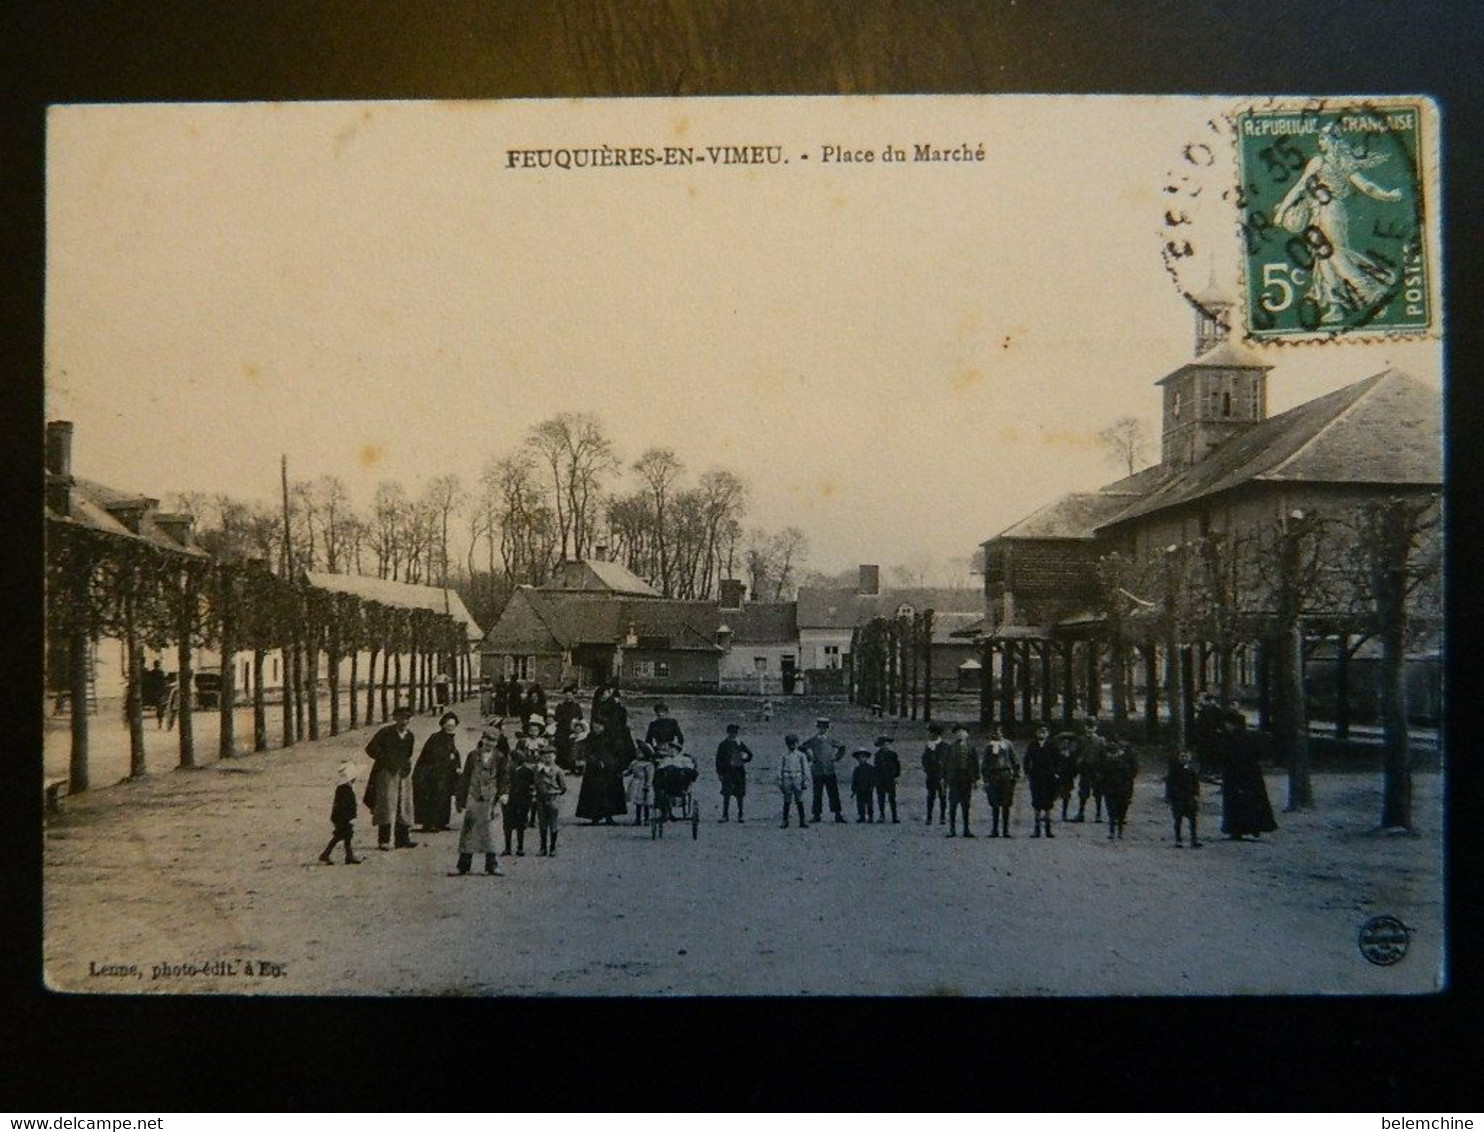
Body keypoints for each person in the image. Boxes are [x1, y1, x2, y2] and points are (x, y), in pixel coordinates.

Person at [450, 731, 506, 877]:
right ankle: (463, 866)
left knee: (490, 832)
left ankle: (492, 865)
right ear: (482, 739)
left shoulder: (500, 757)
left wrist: (503, 794)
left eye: (493, 741)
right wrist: (460, 798)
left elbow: (504, 778)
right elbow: (466, 777)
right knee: (469, 830)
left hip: (490, 798)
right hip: (474, 796)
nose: (490, 743)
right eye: (487, 740)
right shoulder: (473, 755)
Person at [364, 704, 418, 850]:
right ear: (395, 719)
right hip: (386, 773)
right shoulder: (386, 732)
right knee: (386, 805)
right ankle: (384, 840)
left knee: (404, 804)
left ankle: (402, 839)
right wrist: (386, 760)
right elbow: (370, 749)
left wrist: (406, 766)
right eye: (401, 718)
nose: (404, 722)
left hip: (403, 773)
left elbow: (409, 753)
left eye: (407, 718)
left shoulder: (410, 736)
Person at [1220, 715, 1277, 840]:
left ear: (1234, 724)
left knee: (1236, 803)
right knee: (1253, 801)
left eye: (1228, 724)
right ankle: (1255, 826)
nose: (1226, 726)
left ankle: (1237, 829)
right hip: (1252, 775)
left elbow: (1226, 756)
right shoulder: (1251, 737)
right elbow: (1258, 753)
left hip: (1235, 775)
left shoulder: (1231, 739)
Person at [412, 711, 462, 832]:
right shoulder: (436, 737)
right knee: (434, 797)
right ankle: (431, 823)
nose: (451, 728)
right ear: (443, 725)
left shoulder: (450, 738)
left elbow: (454, 754)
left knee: (445, 798)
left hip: (445, 773)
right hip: (432, 773)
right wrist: (448, 758)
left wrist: (456, 765)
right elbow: (432, 755)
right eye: (448, 725)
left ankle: (442, 822)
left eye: (453, 726)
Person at [575, 715, 627, 824]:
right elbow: (587, 751)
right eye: (594, 725)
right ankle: (594, 817)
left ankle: (609, 816)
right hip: (593, 769)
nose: (596, 727)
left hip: (609, 768)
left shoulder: (611, 737)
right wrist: (594, 760)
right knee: (593, 792)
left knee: (609, 791)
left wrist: (611, 762)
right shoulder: (590, 737)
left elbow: (618, 751)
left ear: (604, 726)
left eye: (599, 725)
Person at [801, 718, 847, 824]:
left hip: (830, 770)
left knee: (833, 792)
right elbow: (802, 747)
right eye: (821, 727)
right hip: (817, 770)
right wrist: (810, 757)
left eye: (825, 728)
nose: (823, 730)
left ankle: (837, 814)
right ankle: (816, 815)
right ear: (818, 728)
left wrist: (836, 758)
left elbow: (842, 747)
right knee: (817, 793)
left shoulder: (831, 740)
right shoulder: (813, 740)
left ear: (827, 729)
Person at [317, 760, 364, 865]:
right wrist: (351, 817)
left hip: (339, 817)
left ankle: (347, 855)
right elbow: (346, 806)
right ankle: (328, 854)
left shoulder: (342, 788)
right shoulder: (346, 790)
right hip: (343, 817)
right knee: (342, 835)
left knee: (345, 836)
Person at [503, 725, 537, 857]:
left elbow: (532, 787)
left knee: (520, 826)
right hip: (509, 800)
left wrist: (531, 798)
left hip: (522, 802)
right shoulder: (507, 772)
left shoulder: (527, 772)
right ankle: (508, 848)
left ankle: (520, 847)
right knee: (507, 825)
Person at [1023, 725, 1062, 838]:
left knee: (1048, 802)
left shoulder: (1052, 745)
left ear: (1047, 733)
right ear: (1036, 733)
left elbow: (1058, 760)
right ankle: (1037, 829)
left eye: (1044, 732)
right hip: (1036, 776)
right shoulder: (1032, 745)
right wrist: (1027, 772)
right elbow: (1027, 759)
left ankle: (1048, 830)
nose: (1041, 734)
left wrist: (1057, 772)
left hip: (1049, 777)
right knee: (1036, 801)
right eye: (1039, 732)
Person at [981, 725, 1020, 838]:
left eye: (999, 732)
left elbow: (1015, 761)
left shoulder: (1008, 745)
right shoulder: (989, 746)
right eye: (995, 732)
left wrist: (1016, 775)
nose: (997, 734)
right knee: (994, 803)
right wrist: (986, 779)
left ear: (1002, 733)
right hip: (993, 776)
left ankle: (1006, 830)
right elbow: (985, 763)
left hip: (1006, 775)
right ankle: (994, 829)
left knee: (1006, 804)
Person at [531, 744, 567, 856]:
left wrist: (555, 793)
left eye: (550, 756)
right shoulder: (538, 770)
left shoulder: (558, 770)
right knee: (542, 824)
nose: (548, 759)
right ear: (541, 758)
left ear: (555, 757)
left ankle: (552, 847)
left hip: (553, 798)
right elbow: (535, 783)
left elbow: (563, 787)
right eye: (545, 757)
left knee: (553, 823)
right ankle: (542, 848)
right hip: (541, 798)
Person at [944, 723, 979, 837]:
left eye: (963, 732)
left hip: (966, 778)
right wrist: (945, 779)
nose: (961, 734)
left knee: (966, 804)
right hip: (954, 778)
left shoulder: (971, 748)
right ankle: (952, 829)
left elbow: (975, 764)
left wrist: (976, 779)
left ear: (967, 734)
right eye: (958, 732)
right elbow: (946, 764)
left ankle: (966, 829)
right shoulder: (950, 748)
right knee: (953, 804)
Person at [715, 723, 755, 822]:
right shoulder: (723, 745)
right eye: (731, 733)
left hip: (738, 772)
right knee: (726, 794)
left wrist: (743, 760)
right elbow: (718, 760)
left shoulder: (739, 743)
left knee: (740, 794)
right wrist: (720, 774)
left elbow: (750, 754)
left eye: (735, 733)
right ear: (728, 733)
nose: (733, 735)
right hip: (727, 772)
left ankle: (740, 814)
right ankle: (725, 815)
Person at [1072, 717, 1108, 823]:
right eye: (1088, 727)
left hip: (1096, 769)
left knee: (1098, 792)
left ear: (1096, 728)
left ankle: (1098, 814)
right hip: (1085, 769)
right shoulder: (1081, 740)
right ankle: (1081, 813)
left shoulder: (1101, 741)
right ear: (1085, 728)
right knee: (1083, 791)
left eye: (1092, 727)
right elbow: (1076, 753)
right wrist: (1078, 762)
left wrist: (1102, 769)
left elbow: (1103, 755)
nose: (1090, 730)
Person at [1164, 748, 1202, 848]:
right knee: (1178, 819)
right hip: (1178, 799)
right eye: (1182, 756)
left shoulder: (1191, 770)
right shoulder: (1174, 770)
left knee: (1193, 819)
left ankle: (1194, 839)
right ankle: (1178, 839)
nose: (1184, 758)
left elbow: (1196, 784)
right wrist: (1169, 797)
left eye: (1186, 756)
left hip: (1189, 798)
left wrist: (1196, 794)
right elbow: (1169, 784)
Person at [1101, 740, 1138, 840]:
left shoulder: (1126, 761)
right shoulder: (1107, 762)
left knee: (1121, 810)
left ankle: (1119, 831)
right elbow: (1102, 775)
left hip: (1122, 789)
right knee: (1111, 811)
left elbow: (1132, 773)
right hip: (1111, 789)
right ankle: (1112, 831)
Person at [777, 733, 811, 829]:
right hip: (787, 776)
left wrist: (806, 780)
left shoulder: (801, 755)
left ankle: (802, 820)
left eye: (794, 743)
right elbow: (779, 768)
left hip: (797, 776)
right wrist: (779, 780)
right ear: (786, 744)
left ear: (797, 744)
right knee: (787, 800)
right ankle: (785, 820)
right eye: (789, 744)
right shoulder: (784, 755)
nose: (792, 746)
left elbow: (805, 768)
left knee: (799, 799)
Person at [624, 740, 657, 826]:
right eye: (637, 752)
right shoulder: (634, 763)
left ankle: (646, 819)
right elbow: (628, 771)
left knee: (645, 802)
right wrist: (622, 774)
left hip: (644, 784)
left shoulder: (648, 765)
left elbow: (650, 776)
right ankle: (638, 819)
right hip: (636, 783)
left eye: (640, 753)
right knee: (637, 802)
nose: (637, 754)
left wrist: (648, 785)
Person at [921, 722, 949, 825]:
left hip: (941, 776)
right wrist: (927, 768)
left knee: (942, 796)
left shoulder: (944, 746)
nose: (929, 735)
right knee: (930, 796)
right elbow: (924, 759)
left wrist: (944, 775)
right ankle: (929, 817)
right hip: (931, 775)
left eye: (931, 733)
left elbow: (947, 761)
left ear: (936, 734)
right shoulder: (928, 746)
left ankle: (942, 817)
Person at [552, 685, 585, 771]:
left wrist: (575, 725)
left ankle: (571, 764)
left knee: (572, 745)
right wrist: (562, 720)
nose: (568, 696)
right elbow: (556, 717)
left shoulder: (576, 706)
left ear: (573, 695)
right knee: (561, 744)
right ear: (564, 696)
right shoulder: (560, 706)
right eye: (566, 695)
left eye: (570, 695)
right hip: (562, 729)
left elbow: (580, 718)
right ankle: (562, 763)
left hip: (572, 729)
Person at [872, 736, 901, 823]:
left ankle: (894, 816)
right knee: (881, 798)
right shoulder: (877, 755)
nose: (883, 746)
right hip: (880, 780)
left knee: (892, 798)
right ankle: (882, 815)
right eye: (881, 744)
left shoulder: (892, 754)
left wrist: (895, 776)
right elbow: (876, 768)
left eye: (885, 744)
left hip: (890, 779)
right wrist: (875, 778)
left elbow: (897, 766)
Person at [850, 749, 876, 823]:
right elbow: (854, 780)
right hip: (859, 788)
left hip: (868, 788)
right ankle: (862, 816)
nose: (861, 759)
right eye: (859, 758)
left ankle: (870, 817)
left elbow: (873, 778)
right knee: (860, 804)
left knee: (869, 803)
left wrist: (872, 786)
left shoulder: (870, 768)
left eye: (863, 757)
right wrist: (853, 789)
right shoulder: (857, 769)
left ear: (866, 758)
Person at [142, 659, 166, 728]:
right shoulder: (160, 673)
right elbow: (163, 684)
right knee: (159, 705)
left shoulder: (150, 672)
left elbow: (148, 682)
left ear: (154, 665)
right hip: (157, 693)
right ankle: (160, 722)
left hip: (150, 692)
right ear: (158, 665)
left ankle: (160, 721)